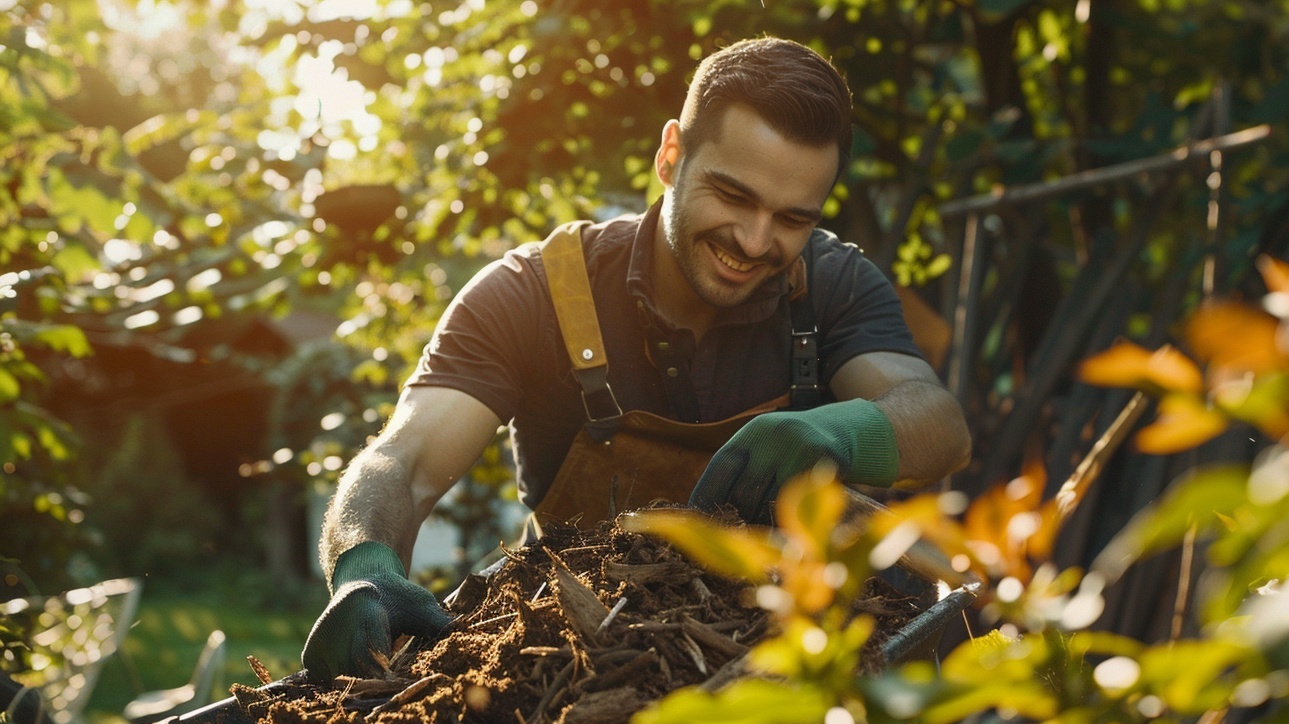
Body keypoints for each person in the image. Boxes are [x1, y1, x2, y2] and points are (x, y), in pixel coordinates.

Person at [301, 36, 972, 680]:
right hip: (572, 671)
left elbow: (939, 424)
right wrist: (366, 565)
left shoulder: (832, 285)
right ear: (671, 156)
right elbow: (403, 460)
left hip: (803, 653)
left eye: (793, 217)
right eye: (734, 196)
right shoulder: (534, 294)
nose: (755, 239)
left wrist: (838, 432)